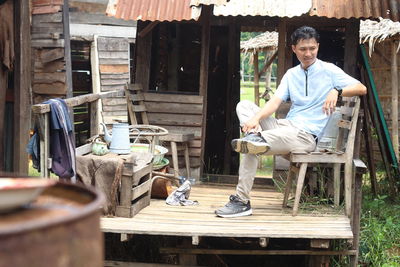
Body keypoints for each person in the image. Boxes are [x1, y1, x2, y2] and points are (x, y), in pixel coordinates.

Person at [215, 26, 367, 218]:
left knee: (249, 145)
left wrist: (337, 91)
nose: (308, 53)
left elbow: (361, 88)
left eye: (312, 48)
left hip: (305, 137)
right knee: (244, 106)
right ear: (294, 49)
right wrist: (255, 119)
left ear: (318, 47)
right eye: (303, 49)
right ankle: (255, 138)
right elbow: (275, 103)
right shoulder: (291, 74)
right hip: (284, 127)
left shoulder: (329, 70)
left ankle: (242, 199)